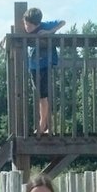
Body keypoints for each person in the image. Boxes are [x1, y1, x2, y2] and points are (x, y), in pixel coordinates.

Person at [23, 7, 66, 136]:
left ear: (37, 24)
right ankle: (44, 124)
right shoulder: (24, 29)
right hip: (33, 65)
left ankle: (43, 125)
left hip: (45, 64)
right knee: (39, 95)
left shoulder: (44, 25)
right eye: (25, 24)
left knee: (43, 95)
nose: (26, 27)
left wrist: (49, 32)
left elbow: (62, 22)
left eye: (29, 25)